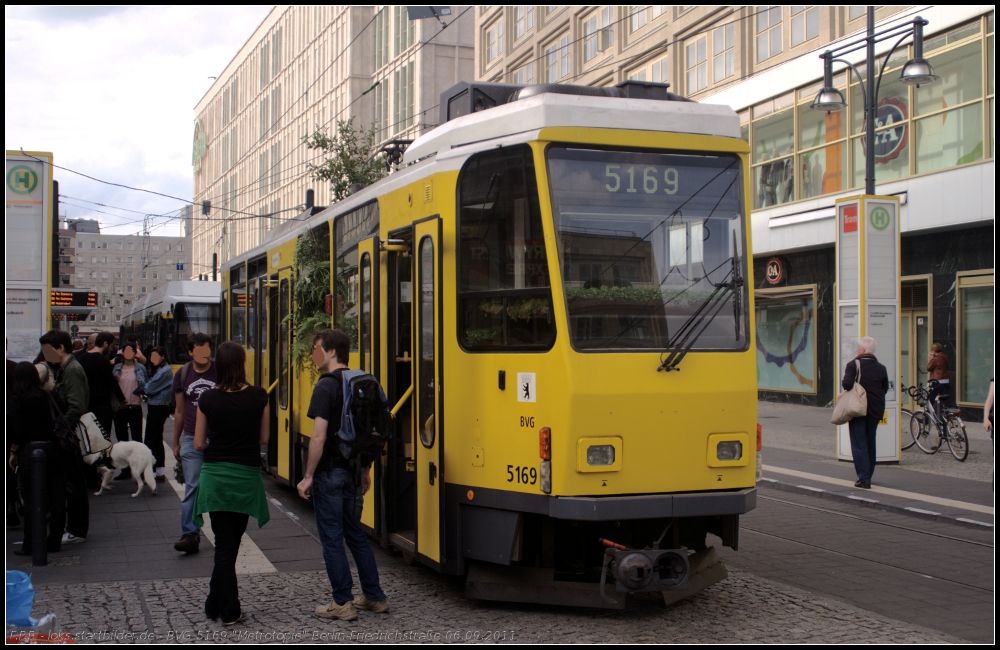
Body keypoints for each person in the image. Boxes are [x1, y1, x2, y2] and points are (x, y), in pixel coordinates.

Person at [297, 329, 388, 621]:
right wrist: (365, 471)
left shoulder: (325, 386)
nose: (314, 354)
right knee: (356, 534)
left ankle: (342, 603)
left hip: (330, 473)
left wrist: (309, 475)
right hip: (354, 470)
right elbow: (369, 434)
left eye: (317, 348)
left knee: (332, 538)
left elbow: (319, 437)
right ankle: (374, 597)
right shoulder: (362, 382)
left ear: (332, 352)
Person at [193, 342, 270, 625]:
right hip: (245, 477)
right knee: (230, 544)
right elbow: (263, 438)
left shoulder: (207, 399)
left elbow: (199, 443)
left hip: (215, 477)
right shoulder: (259, 396)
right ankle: (229, 610)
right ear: (242, 364)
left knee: (225, 545)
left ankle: (217, 604)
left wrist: (219, 442)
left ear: (219, 366)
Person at [39, 329, 91, 545]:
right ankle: (75, 528)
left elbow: (76, 406)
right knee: (71, 482)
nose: (44, 354)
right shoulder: (64, 369)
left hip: (70, 437)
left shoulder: (71, 370)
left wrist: (62, 430)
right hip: (69, 435)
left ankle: (77, 530)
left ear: (60, 348)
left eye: (48, 349)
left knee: (74, 483)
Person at [8, 362, 65, 555]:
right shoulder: (49, 396)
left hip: (30, 451)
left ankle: (30, 543)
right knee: (57, 496)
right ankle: (55, 540)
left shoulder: (17, 400)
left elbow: (18, 432)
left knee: (32, 499)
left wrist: (13, 452)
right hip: (53, 449)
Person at [172, 332, 217, 555]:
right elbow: (179, 410)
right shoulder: (182, 374)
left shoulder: (221, 370)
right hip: (191, 436)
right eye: (197, 350)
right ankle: (190, 535)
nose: (203, 354)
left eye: (206, 349)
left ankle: (222, 532)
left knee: (218, 486)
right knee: (193, 487)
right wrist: (175, 442)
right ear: (190, 352)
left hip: (219, 437)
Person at [842, 336, 889, 489]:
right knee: (870, 442)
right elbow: (885, 388)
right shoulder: (881, 368)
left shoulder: (853, 365)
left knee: (859, 443)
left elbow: (847, 384)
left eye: (858, 348)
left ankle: (864, 478)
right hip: (876, 410)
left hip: (859, 409)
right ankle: (868, 474)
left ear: (861, 350)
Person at [77, 332, 124, 447]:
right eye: (111, 346)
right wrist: (122, 399)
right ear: (105, 344)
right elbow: (111, 382)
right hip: (102, 404)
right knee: (103, 437)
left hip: (87, 403)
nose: (111, 349)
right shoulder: (102, 360)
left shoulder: (82, 358)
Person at [112, 342, 148, 480]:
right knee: (122, 440)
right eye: (125, 350)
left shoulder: (140, 368)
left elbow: (146, 384)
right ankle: (125, 470)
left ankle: (140, 470)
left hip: (135, 406)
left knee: (137, 439)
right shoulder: (116, 368)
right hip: (121, 407)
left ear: (135, 352)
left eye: (131, 350)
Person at [143, 346, 174, 482]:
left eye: (155, 356)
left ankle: (151, 470)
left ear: (162, 356)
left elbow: (149, 388)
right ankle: (159, 470)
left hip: (158, 406)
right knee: (156, 438)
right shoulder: (161, 370)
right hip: (157, 406)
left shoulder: (164, 371)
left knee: (150, 439)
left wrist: (144, 388)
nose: (152, 359)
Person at [926, 343, 950, 423]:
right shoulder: (945, 357)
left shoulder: (935, 358)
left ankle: (927, 418)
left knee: (930, 399)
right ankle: (945, 417)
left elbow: (929, 368)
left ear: (933, 350)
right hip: (945, 380)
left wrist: (930, 358)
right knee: (943, 399)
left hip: (937, 380)